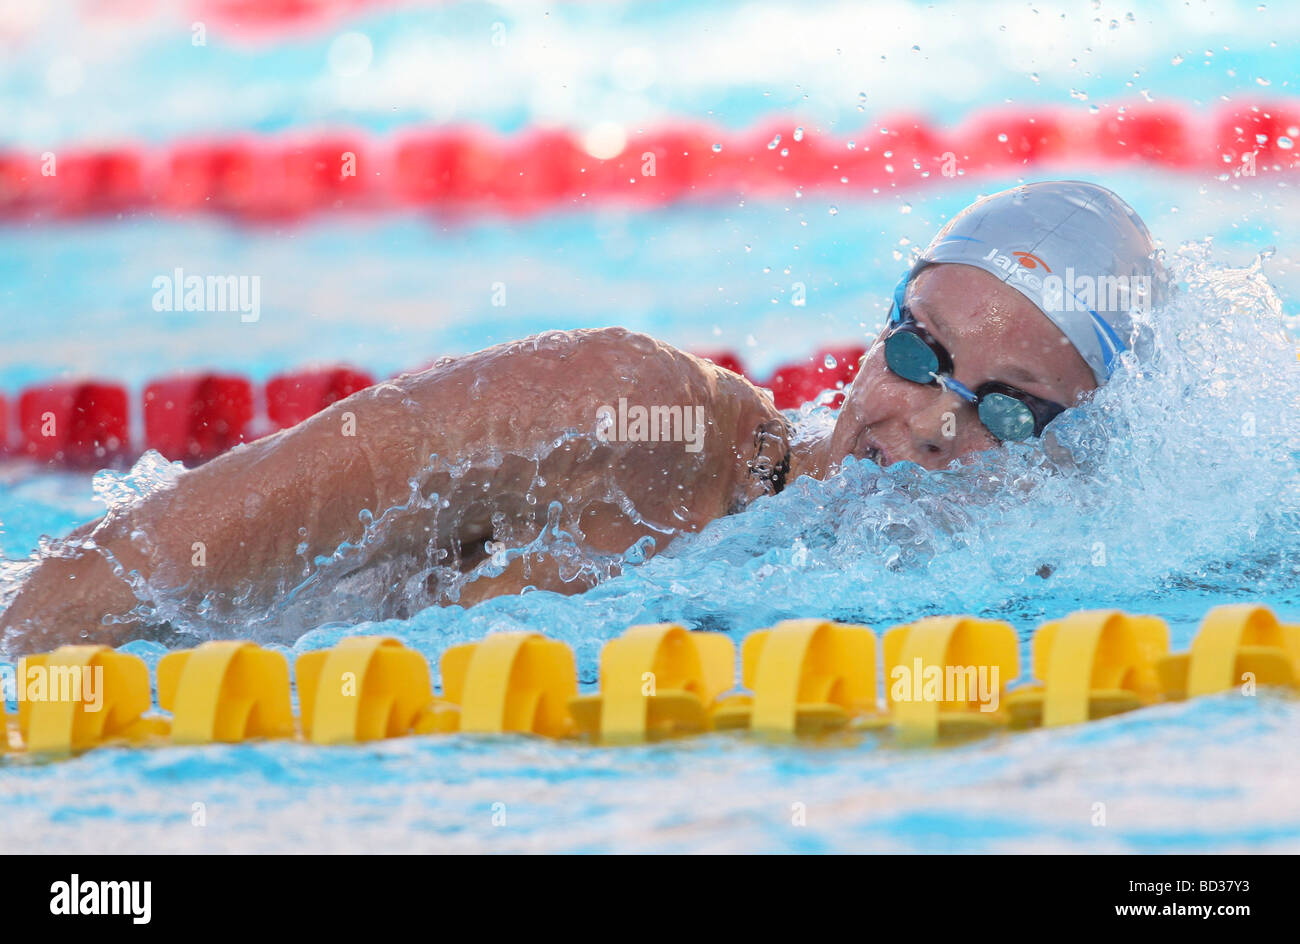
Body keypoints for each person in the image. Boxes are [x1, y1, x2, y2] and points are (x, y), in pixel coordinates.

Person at [0, 180, 1164, 652]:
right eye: (919, 350)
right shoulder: (620, 418)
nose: (923, 425)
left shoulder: (1035, 606)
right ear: (876, 329)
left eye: (1006, 416)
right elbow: (121, 577)